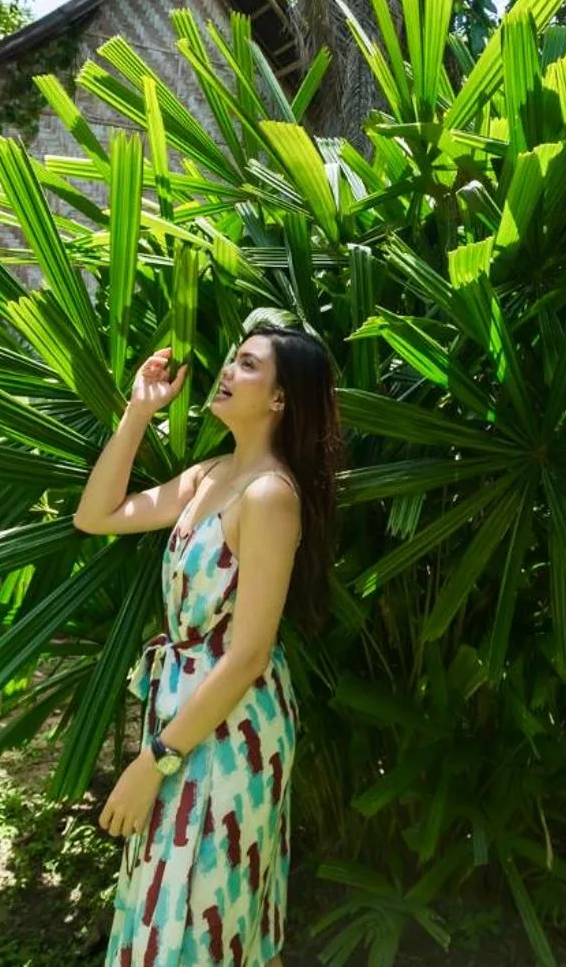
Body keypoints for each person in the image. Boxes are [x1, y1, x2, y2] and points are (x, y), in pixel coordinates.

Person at [73, 326, 341, 967]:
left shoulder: (269, 496)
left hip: (232, 729)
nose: (226, 369)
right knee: (203, 917)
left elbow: (249, 654)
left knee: (207, 917)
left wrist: (153, 762)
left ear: (280, 399)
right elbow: (96, 514)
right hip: (186, 712)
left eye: (247, 364)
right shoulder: (212, 475)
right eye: (232, 358)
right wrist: (138, 412)